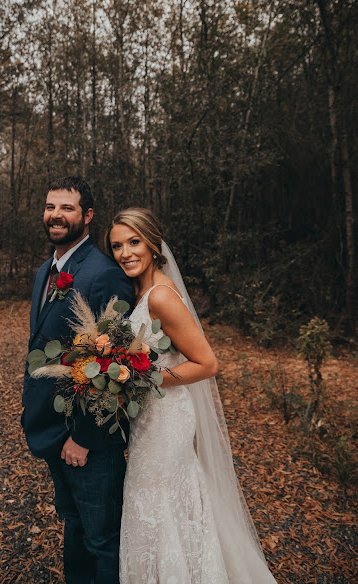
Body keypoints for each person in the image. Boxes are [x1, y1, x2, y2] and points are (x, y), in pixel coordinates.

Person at [105, 207, 278, 584]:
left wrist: (141, 378)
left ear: (153, 244)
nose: (125, 253)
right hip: (149, 417)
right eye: (117, 246)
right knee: (156, 500)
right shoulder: (139, 292)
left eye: (134, 242)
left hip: (166, 419)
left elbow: (207, 363)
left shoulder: (162, 297)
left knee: (156, 500)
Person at [22, 177, 135, 584]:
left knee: (104, 539)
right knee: (74, 523)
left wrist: (84, 436)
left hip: (88, 440)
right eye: (51, 206)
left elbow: (118, 367)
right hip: (53, 428)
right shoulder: (45, 272)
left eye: (67, 208)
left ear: (87, 216)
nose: (56, 215)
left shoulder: (103, 274)